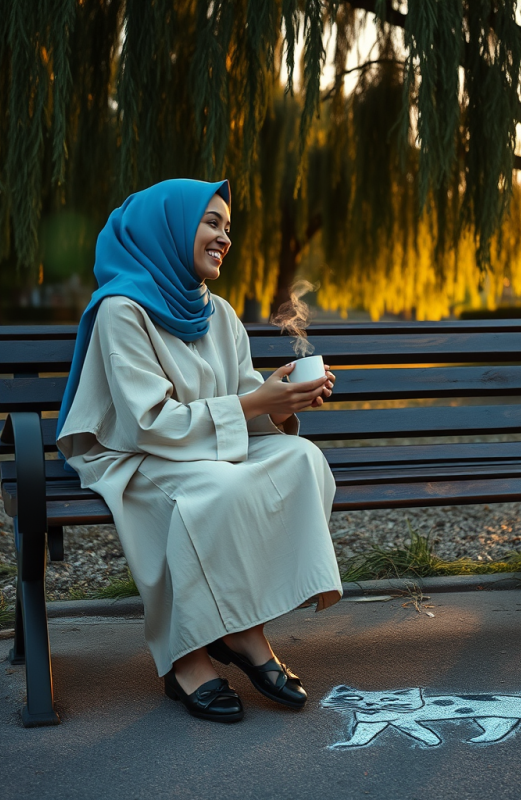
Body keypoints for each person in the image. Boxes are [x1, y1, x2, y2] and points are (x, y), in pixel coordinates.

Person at [56, 178, 342, 724]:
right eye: (211, 223)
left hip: (205, 448)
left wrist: (280, 403)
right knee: (219, 490)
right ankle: (193, 653)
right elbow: (148, 422)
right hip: (135, 454)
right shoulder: (123, 310)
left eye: (228, 228)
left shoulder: (219, 312)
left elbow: (243, 401)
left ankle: (238, 628)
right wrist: (256, 401)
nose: (224, 237)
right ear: (167, 228)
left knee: (302, 459)